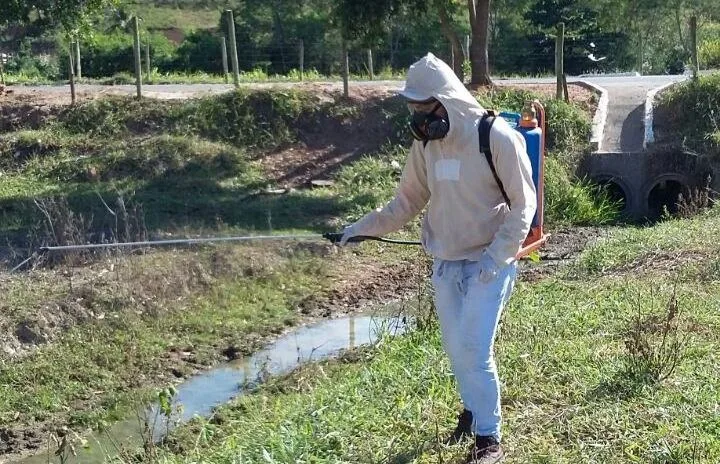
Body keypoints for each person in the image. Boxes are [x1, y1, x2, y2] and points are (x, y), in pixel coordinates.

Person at [339, 53, 536, 464]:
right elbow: (406, 203)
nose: (420, 120)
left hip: (488, 263)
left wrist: (496, 258)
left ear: (448, 99)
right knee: (455, 347)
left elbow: (524, 204)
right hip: (446, 262)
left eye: (426, 110)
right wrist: (361, 227)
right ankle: (472, 409)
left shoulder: (494, 136)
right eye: (414, 111)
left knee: (474, 347)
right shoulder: (425, 146)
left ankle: (489, 439)